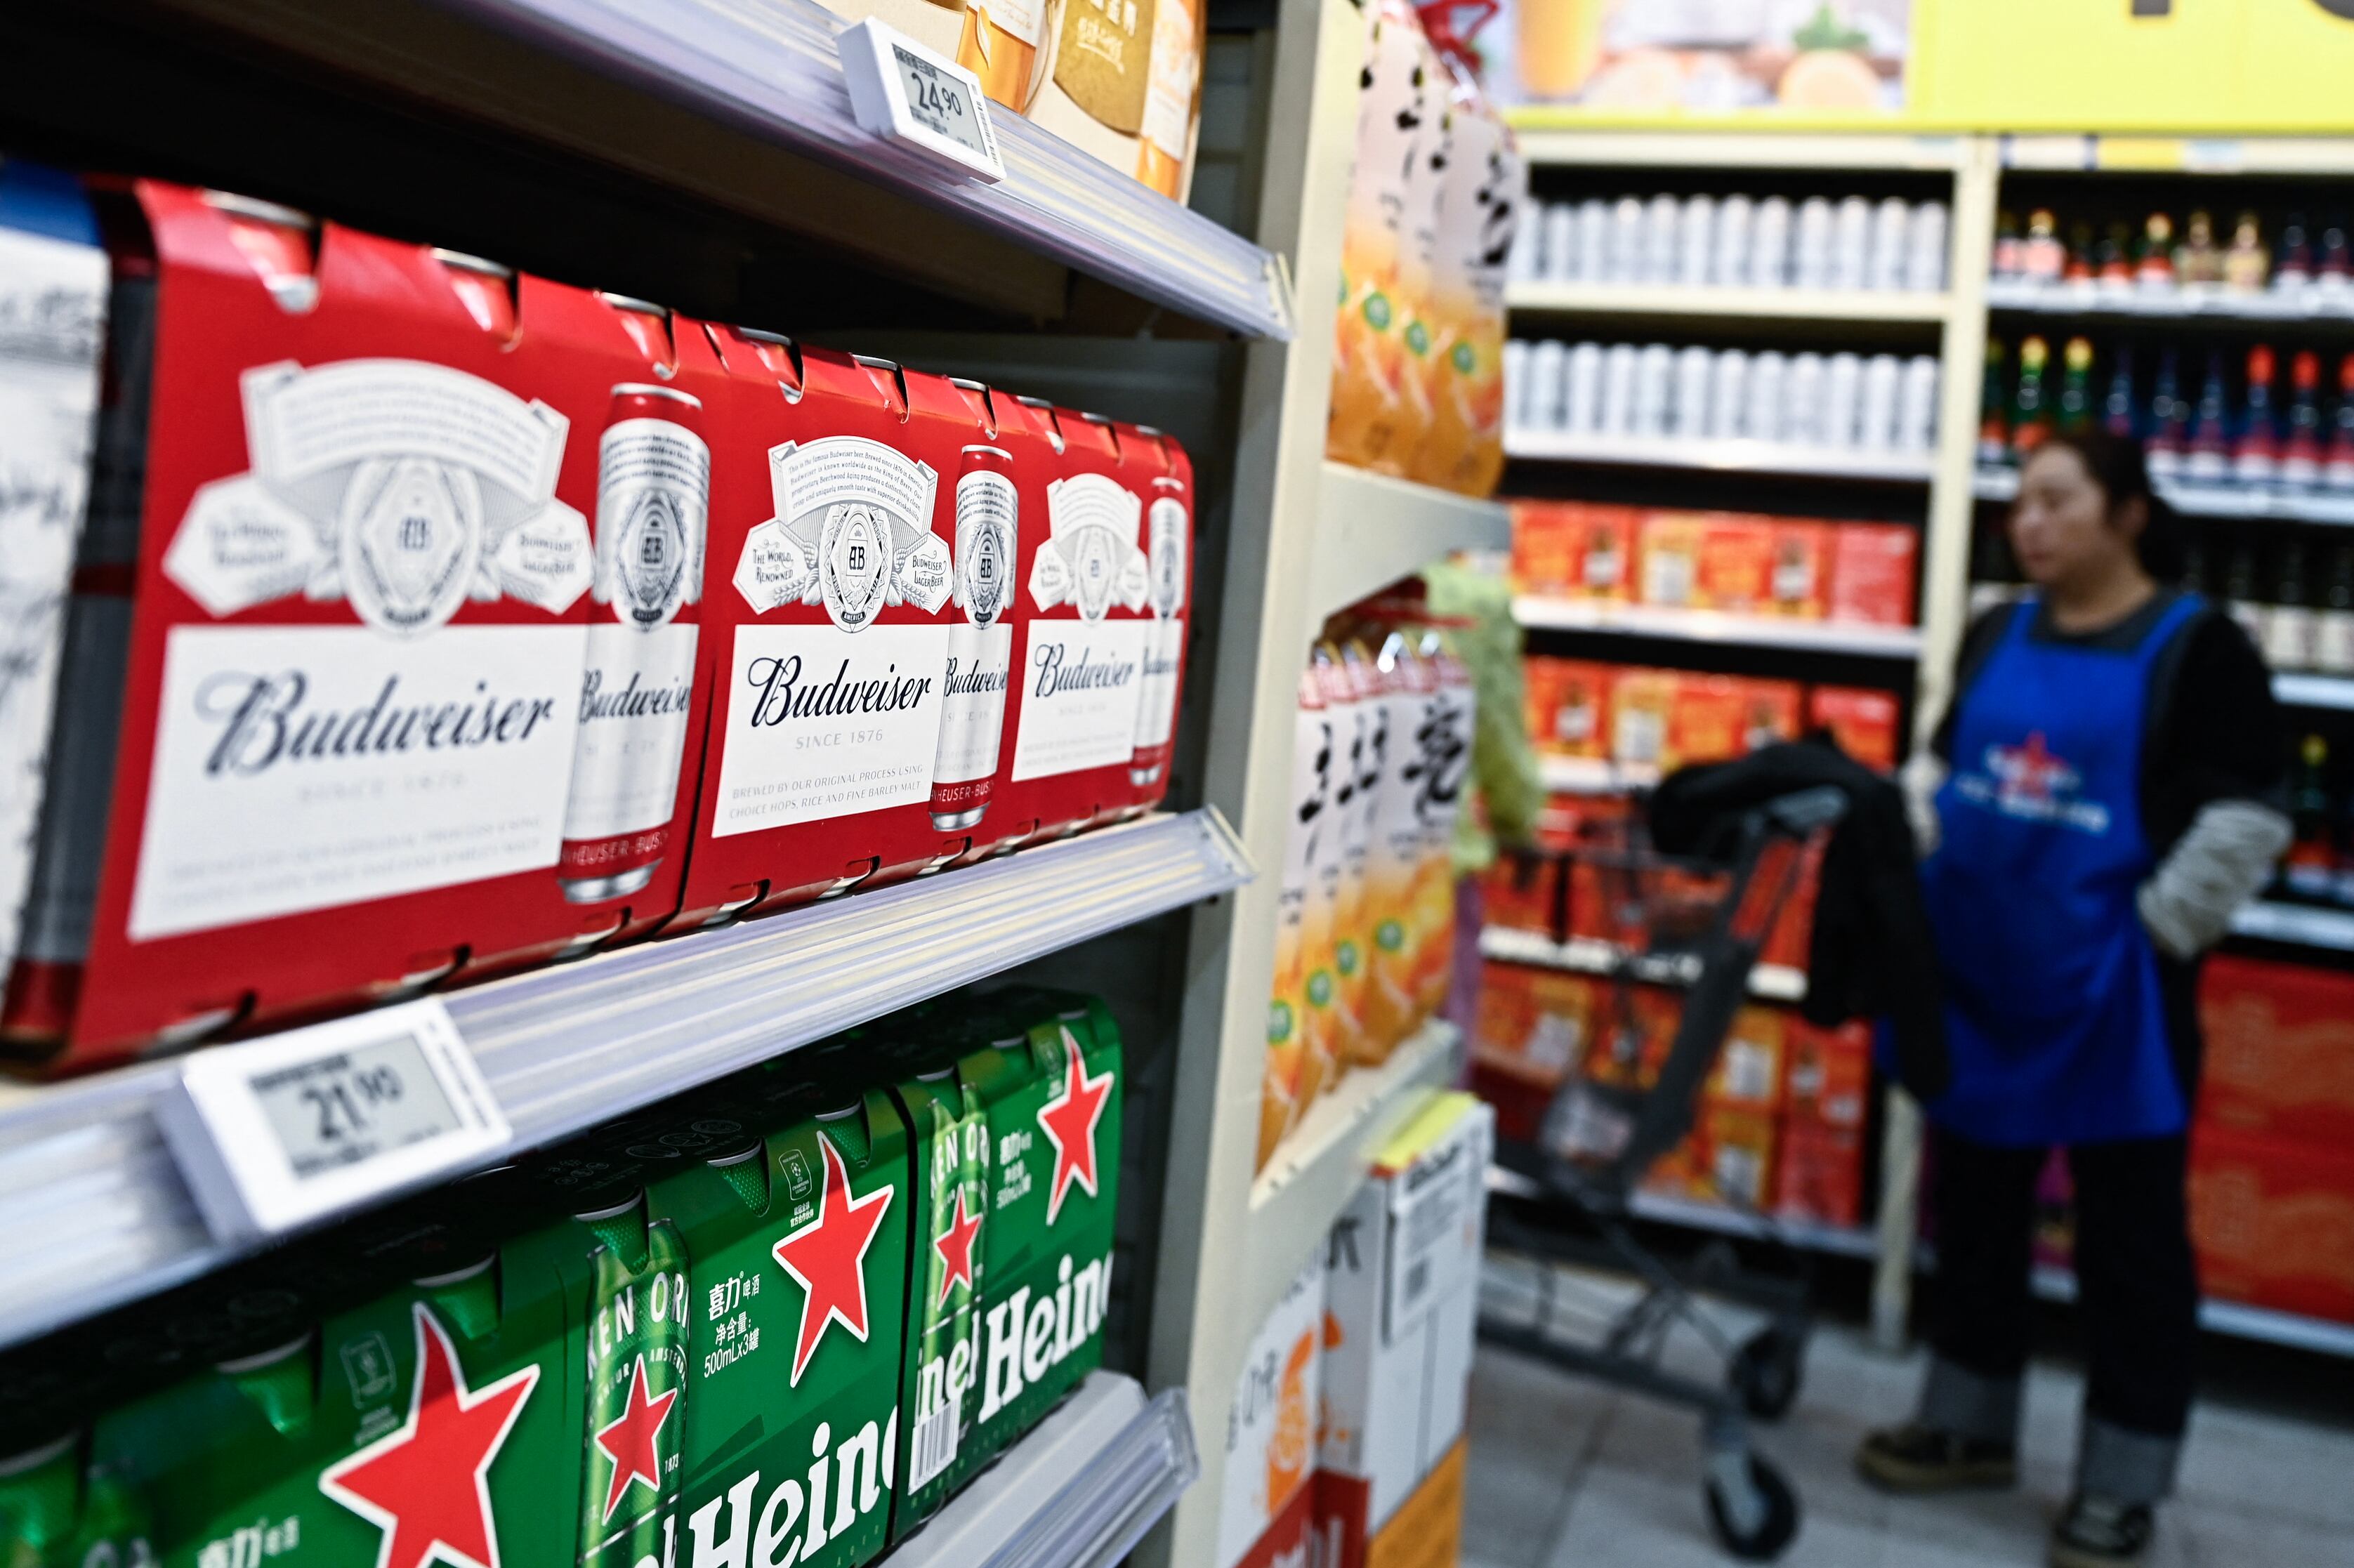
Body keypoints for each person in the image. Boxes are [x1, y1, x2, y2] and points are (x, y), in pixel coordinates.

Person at [1853, 429, 2289, 1568]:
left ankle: (2121, 1480)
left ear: (2128, 513)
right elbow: (1941, 769)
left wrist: (2147, 939)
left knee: (2132, 1243)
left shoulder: (2204, 651)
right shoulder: (1998, 625)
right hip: (1982, 971)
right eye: (2020, 503)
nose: (2029, 523)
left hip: (2117, 998)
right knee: (1977, 1208)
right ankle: (1967, 1422)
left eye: (2057, 501)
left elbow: (2245, 820)